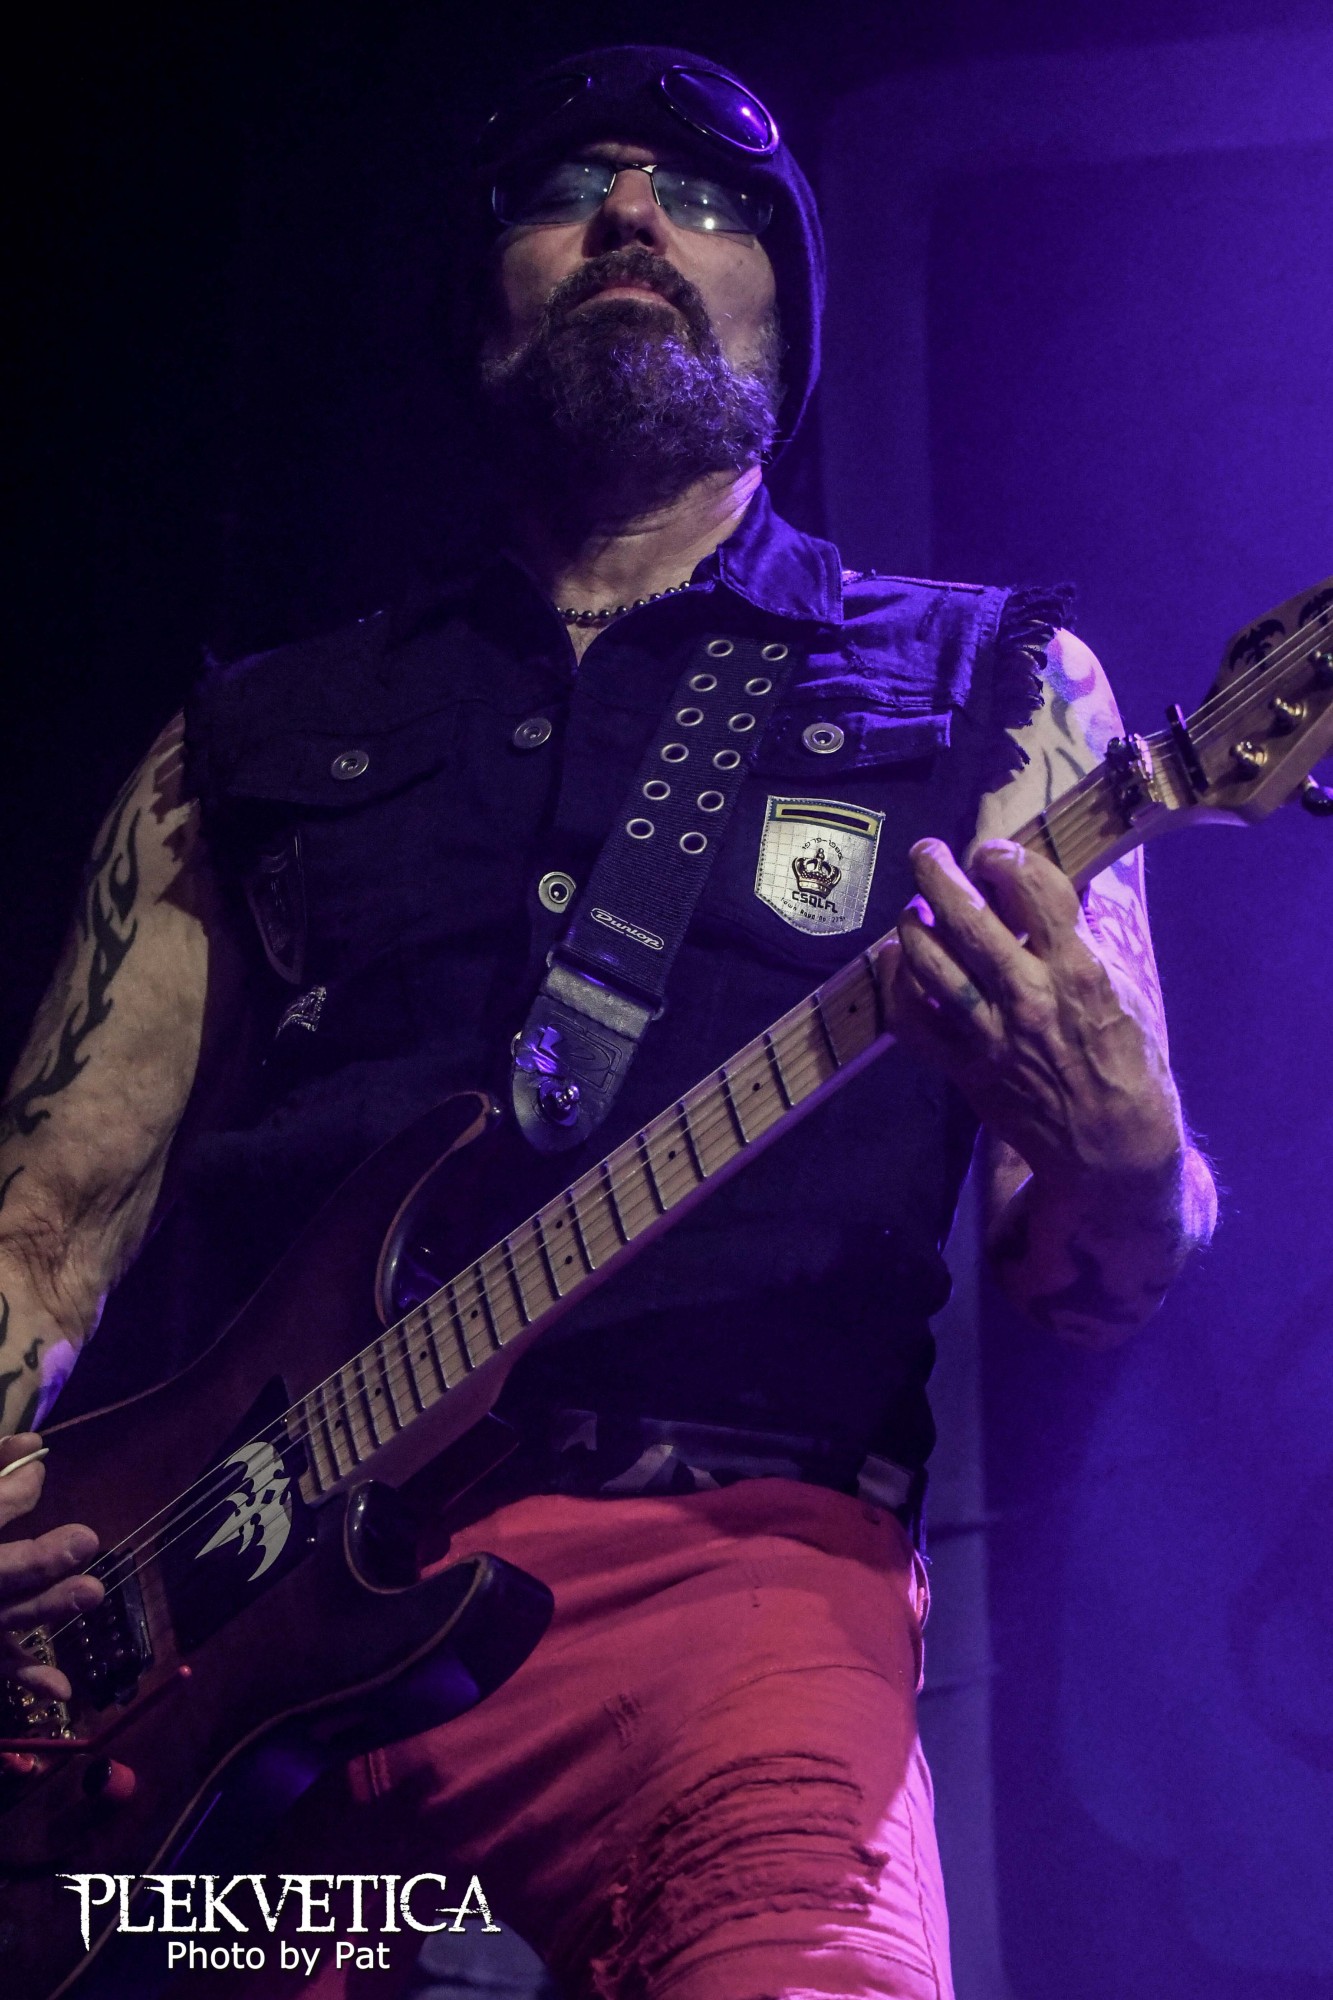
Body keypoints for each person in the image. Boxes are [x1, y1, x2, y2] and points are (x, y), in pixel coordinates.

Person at [0, 44, 1215, 2000]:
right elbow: (44, 1216)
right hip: (223, 1651)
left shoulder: (992, 687)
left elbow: (1085, 1279)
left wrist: (1128, 1156)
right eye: (570, 189)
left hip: (732, 1605)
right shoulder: (248, 737)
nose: (636, 218)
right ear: (475, 297)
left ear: (787, 320)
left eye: (708, 199)